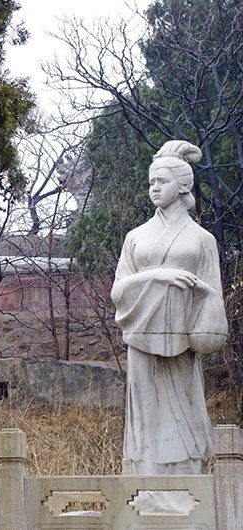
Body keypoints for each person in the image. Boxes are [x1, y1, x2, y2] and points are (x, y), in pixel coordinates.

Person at [111, 140, 227, 475]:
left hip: (182, 341)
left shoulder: (202, 239)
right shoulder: (135, 237)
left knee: (184, 411)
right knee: (146, 416)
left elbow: (214, 295)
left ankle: (185, 485)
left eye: (162, 181)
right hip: (142, 338)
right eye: (151, 182)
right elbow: (118, 290)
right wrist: (157, 276)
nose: (155, 188)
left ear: (183, 185)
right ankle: (146, 487)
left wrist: (199, 291)